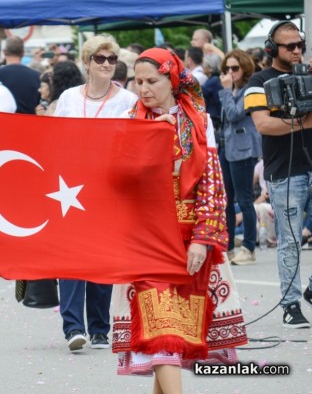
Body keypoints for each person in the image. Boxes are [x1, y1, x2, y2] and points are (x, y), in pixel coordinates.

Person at [112, 48, 247, 393]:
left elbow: (213, 184)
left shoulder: (200, 122)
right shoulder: (130, 120)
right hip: (145, 240)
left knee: (172, 337)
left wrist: (203, 239)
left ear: (172, 80)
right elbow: (114, 180)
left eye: (151, 81)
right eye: (138, 81)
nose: (143, 89)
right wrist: (145, 141)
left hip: (189, 240)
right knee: (162, 330)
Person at [54, 35, 137, 351]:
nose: (105, 64)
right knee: (72, 255)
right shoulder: (69, 98)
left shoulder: (128, 101)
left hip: (109, 186)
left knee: (102, 256)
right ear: (87, 62)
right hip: (71, 185)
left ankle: (101, 327)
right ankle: (73, 327)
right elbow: (55, 138)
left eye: (111, 59)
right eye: (99, 59)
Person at [244, 20, 312, 328]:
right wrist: (305, 123)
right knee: (290, 241)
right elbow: (263, 125)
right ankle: (291, 304)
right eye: (290, 46)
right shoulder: (258, 81)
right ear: (273, 49)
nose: (297, 51)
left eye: (300, 45)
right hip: (285, 172)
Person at [216, 50, 262, 265]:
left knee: (244, 199)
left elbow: (235, 115)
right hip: (227, 149)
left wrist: (225, 92)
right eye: (227, 69)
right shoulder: (232, 91)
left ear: (244, 68)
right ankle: (228, 246)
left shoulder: (249, 91)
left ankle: (249, 247)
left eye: (235, 68)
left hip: (243, 150)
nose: (230, 72)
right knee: (226, 200)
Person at [0, 36, 41, 114]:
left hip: (3, 123)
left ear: (4, 52)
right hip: (29, 123)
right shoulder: (36, 76)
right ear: (23, 53)